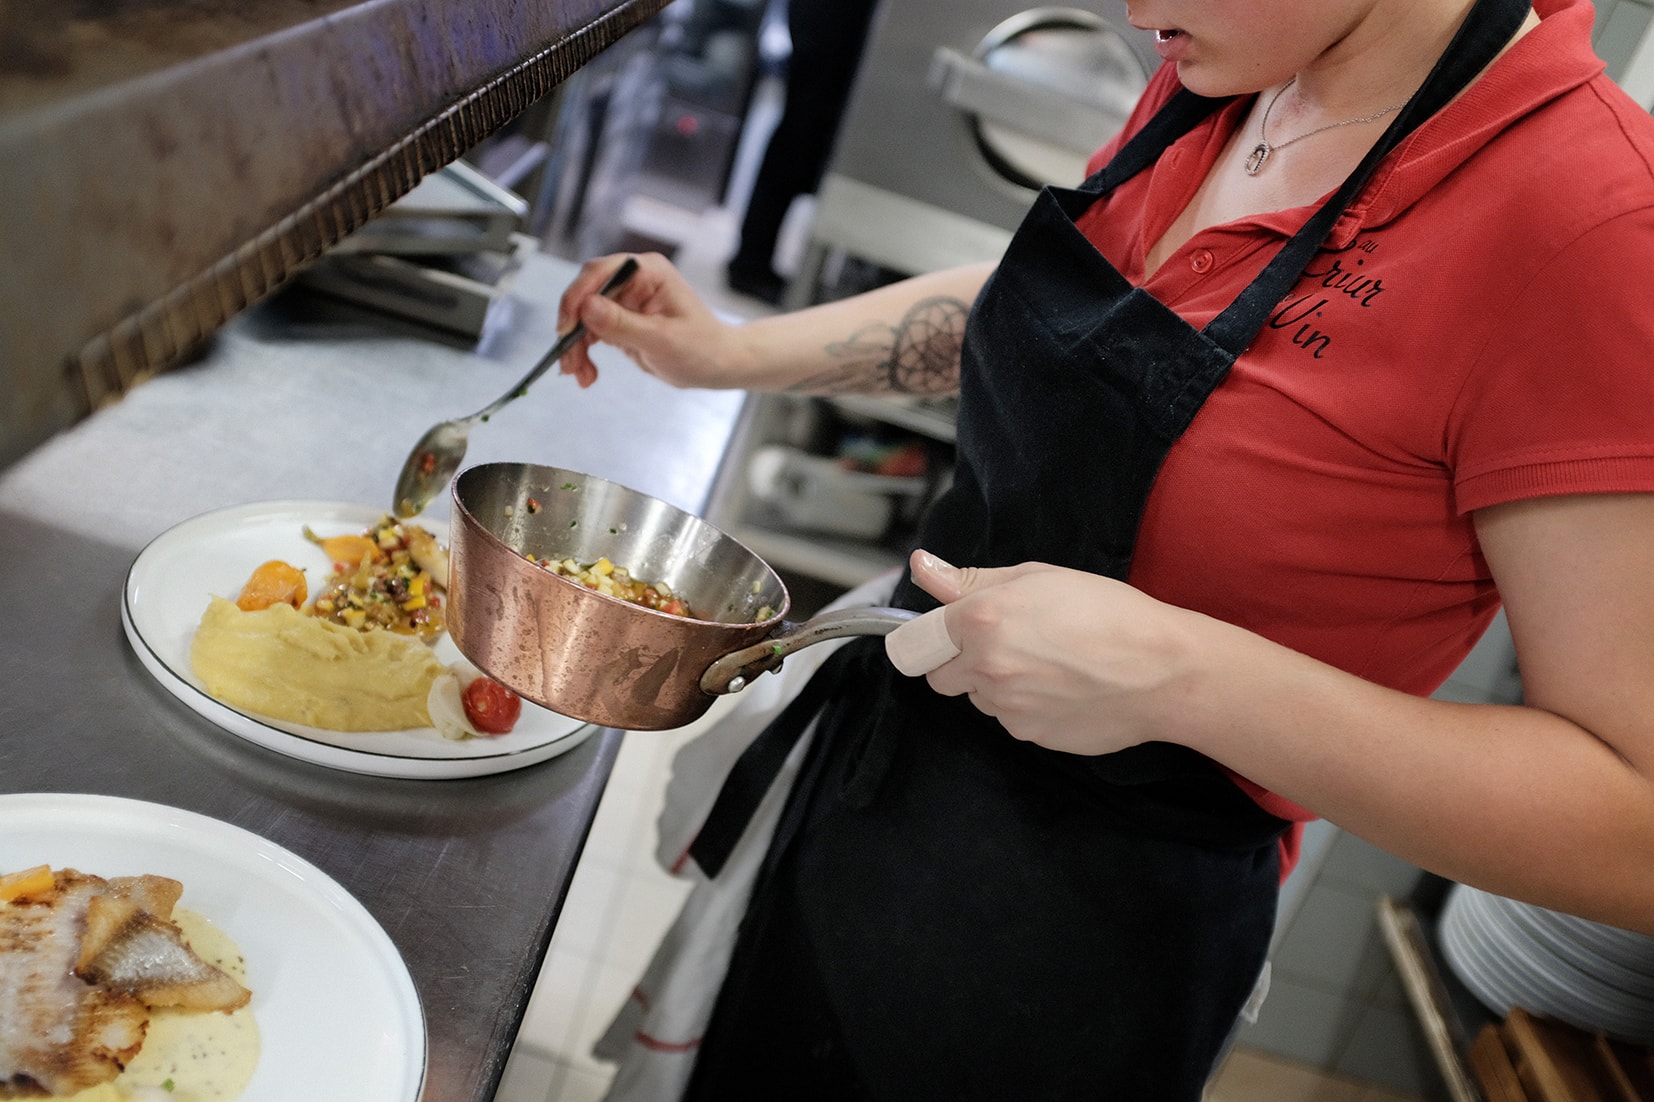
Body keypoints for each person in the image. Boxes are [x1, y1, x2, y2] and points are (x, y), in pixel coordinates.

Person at [555, 0, 1654, 1095]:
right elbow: (1091, 306)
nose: (1135, 7)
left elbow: (1631, 828)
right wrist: (731, 355)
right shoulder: (1232, 59)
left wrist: (1182, 677)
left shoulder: (1594, 222)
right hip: (883, 788)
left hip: (1087, 936)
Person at [723, 0, 880, 304]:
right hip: (828, 19)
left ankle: (755, 261)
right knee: (799, 135)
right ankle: (750, 263)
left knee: (803, 134)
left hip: (831, 20)